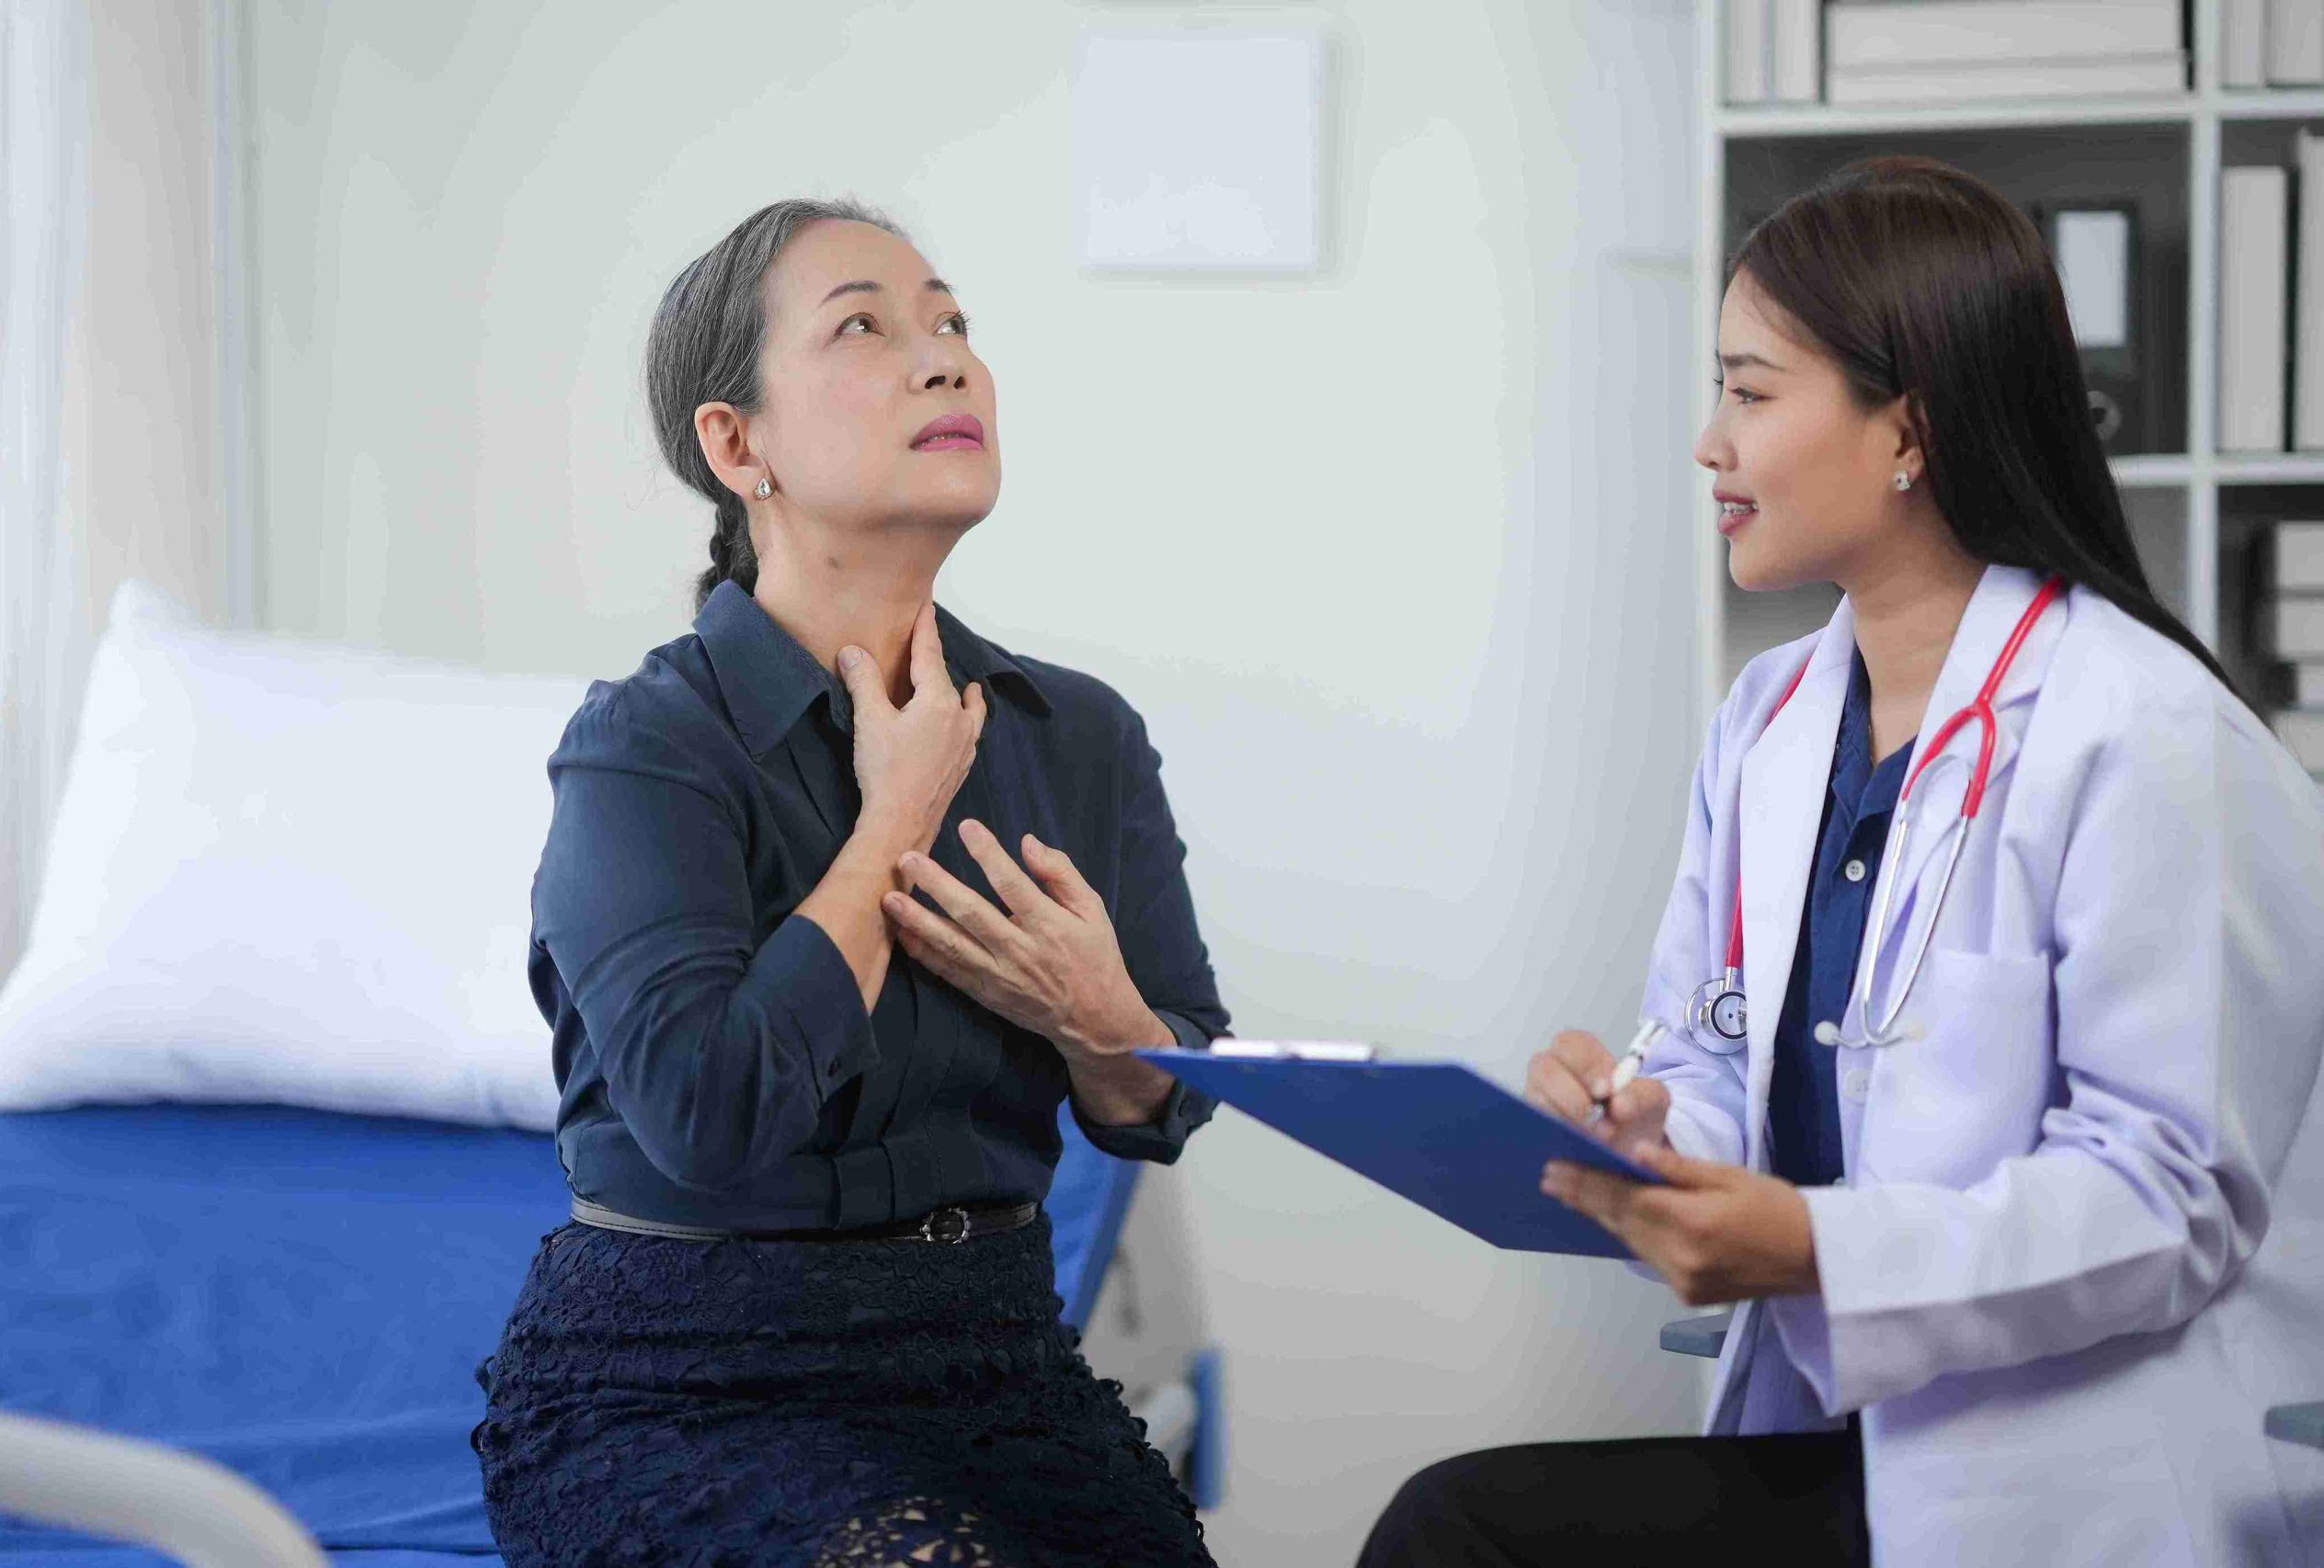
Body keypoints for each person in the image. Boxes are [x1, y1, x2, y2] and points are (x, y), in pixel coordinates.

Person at [1361, 156, 2324, 1567]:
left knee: (1460, 1531)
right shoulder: (1771, 722)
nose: (1708, 443)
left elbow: (2171, 1199)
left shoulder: (2151, 735)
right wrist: (1641, 1132)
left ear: (1908, 431)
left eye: (1750, 393)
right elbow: (1710, 1048)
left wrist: (1817, 1249)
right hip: (1844, 1449)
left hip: (2071, 1486)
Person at [472, 198, 1226, 1567]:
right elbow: (708, 1113)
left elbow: (1165, 1098)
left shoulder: (1083, 740)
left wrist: (1096, 1011)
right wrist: (894, 820)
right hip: (682, 1383)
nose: (943, 358)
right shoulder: (649, 749)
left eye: (951, 323)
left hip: (993, 1365)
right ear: (735, 442)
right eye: (865, 328)